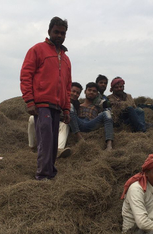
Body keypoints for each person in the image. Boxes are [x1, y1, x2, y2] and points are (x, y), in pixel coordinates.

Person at [20, 17, 72, 180]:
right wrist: (29, 100)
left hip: (57, 106)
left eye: (63, 33)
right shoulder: (37, 50)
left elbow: (67, 86)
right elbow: (26, 75)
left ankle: (51, 172)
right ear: (49, 32)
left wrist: (66, 108)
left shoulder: (66, 59)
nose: (59, 35)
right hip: (41, 104)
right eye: (56, 32)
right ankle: (42, 175)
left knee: (54, 142)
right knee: (46, 140)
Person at [27, 82, 82, 158]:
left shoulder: (77, 105)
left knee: (65, 125)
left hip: (59, 124)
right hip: (47, 120)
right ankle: (32, 146)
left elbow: (73, 120)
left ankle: (59, 149)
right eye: (73, 91)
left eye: (78, 93)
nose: (75, 94)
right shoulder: (57, 97)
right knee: (32, 119)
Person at [69, 82, 113, 150]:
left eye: (94, 91)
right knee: (69, 106)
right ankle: (79, 138)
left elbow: (108, 110)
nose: (91, 92)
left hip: (91, 123)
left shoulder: (98, 106)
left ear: (97, 94)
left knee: (107, 113)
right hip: (78, 123)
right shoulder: (77, 105)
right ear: (85, 91)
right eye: (89, 90)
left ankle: (109, 145)